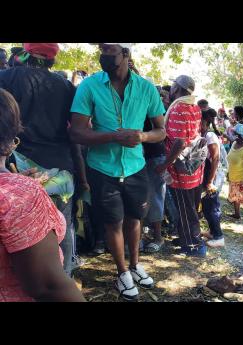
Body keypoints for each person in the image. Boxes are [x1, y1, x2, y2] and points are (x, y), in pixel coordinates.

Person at [70, 43, 165, 300]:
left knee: (135, 219)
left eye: (109, 50)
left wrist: (142, 135)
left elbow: (161, 130)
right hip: (102, 168)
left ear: (125, 53)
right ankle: (122, 272)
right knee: (113, 222)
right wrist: (113, 137)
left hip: (136, 166)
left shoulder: (146, 88)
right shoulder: (89, 86)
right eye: (101, 49)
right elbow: (77, 131)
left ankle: (134, 265)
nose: (103, 55)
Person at [0, 43, 86, 277]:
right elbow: (74, 131)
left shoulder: (5, 79)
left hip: (18, 172)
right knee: (62, 230)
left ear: (26, 53)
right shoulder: (66, 86)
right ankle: (63, 279)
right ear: (52, 60)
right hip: (61, 173)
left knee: (21, 237)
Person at [155, 75, 207, 257]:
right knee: (189, 206)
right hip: (193, 167)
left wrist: (164, 165)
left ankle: (194, 245)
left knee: (185, 209)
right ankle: (186, 238)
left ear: (177, 88)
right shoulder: (194, 107)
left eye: (173, 85)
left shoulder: (178, 108)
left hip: (181, 169)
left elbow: (178, 143)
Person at [141, 81, 172, 254]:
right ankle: (145, 234)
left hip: (154, 157)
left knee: (155, 197)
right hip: (143, 157)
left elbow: (160, 132)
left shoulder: (154, 107)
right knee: (143, 197)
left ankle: (158, 237)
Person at [200, 108, 227, 247]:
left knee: (212, 206)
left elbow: (215, 158)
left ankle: (219, 237)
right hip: (208, 174)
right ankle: (212, 231)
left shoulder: (210, 135)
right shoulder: (204, 134)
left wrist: (210, 181)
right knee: (206, 205)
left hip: (214, 175)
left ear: (204, 121)